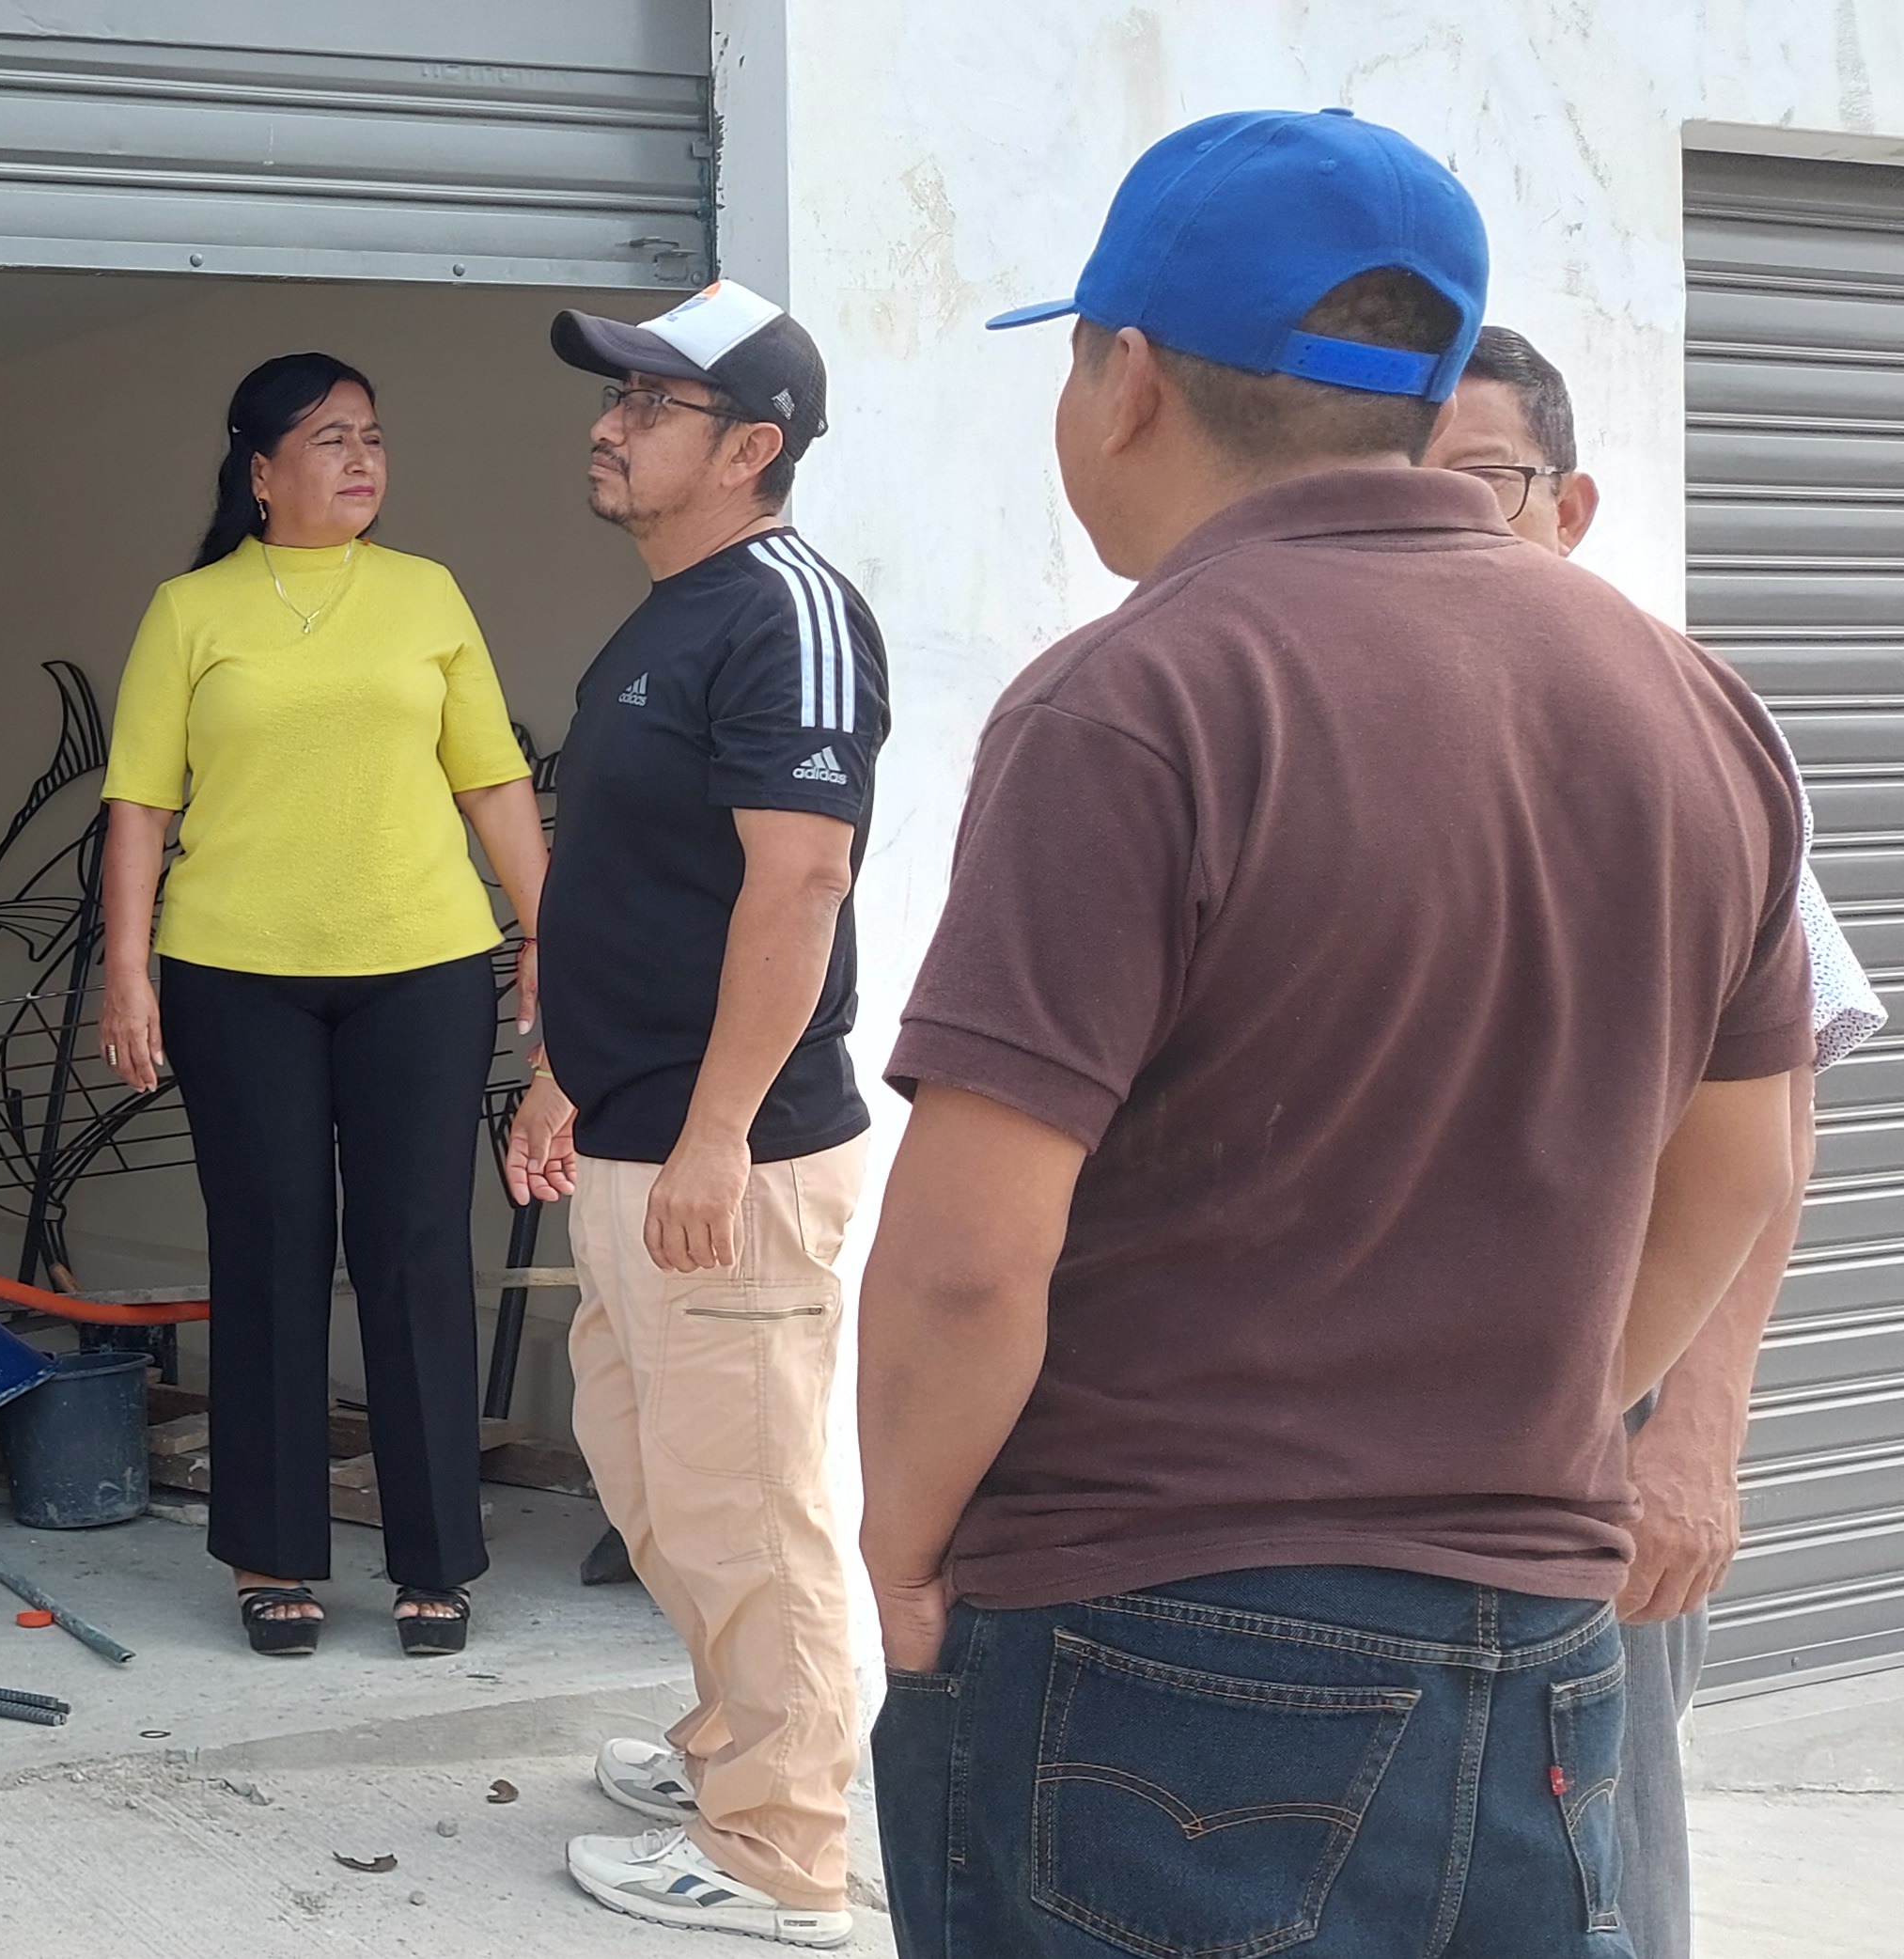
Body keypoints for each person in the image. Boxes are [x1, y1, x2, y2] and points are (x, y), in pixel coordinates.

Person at [858, 109, 1816, 1958]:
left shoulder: (1134, 701)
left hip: (1153, 1647)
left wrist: (900, 1547)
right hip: (1539, 1654)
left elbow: (968, 1260)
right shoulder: (1690, 707)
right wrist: (1536, 1423)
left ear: (1128, 382)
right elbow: (1739, 1168)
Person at [1424, 324, 1885, 1959]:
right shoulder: (1305, 704)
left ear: (1572, 507)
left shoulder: (1682, 739)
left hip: (1596, 1416)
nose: (1443, 517)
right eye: (1402, 476)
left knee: (1596, 1861)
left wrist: (1696, 1433)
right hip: (1346, 1427)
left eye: (1486, 481)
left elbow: (1766, 1119)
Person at [507, 280, 884, 1949]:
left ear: (751, 448)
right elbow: (636, 887)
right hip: (636, 1130)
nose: (610, 427)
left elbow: (799, 886)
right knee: (655, 1479)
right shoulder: (669, 614)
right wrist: (568, 1075)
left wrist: (721, 1133)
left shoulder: (789, 613)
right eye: (617, 400)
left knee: (750, 1510)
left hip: (735, 1153)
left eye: (650, 406)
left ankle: (782, 1854)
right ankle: (733, 1743)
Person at [97, 353, 550, 1659]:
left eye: (372, 437)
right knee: (271, 1251)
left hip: (425, 964)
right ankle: (273, 1552)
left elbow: (492, 781)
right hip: (236, 973)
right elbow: (140, 804)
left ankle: (435, 1560)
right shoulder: (192, 611)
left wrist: (549, 934)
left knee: (416, 1251)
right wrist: (127, 967)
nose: (362, 459)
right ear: (261, 472)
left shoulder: (427, 594)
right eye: (330, 439)